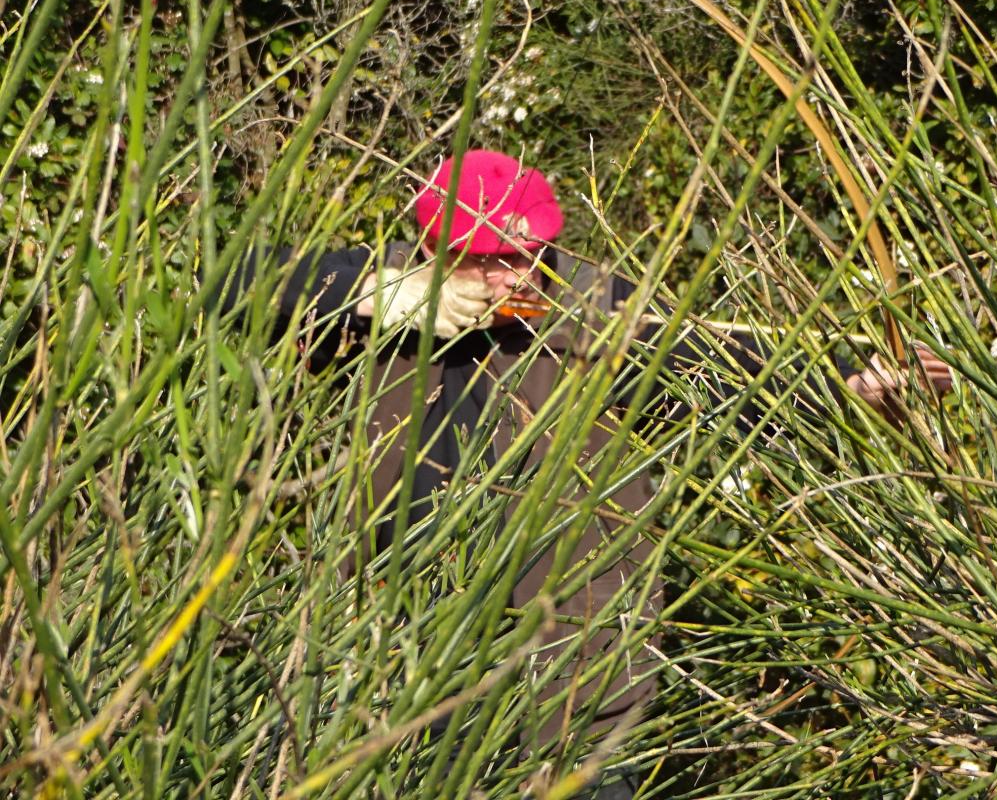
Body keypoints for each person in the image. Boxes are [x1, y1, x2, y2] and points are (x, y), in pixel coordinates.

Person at [217, 149, 953, 797]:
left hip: (575, 641)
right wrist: (387, 297)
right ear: (432, 246)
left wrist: (851, 383)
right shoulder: (380, 290)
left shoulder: (597, 303)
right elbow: (233, 282)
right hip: (412, 637)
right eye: (482, 257)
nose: (509, 275)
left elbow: (728, 363)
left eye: (523, 254)